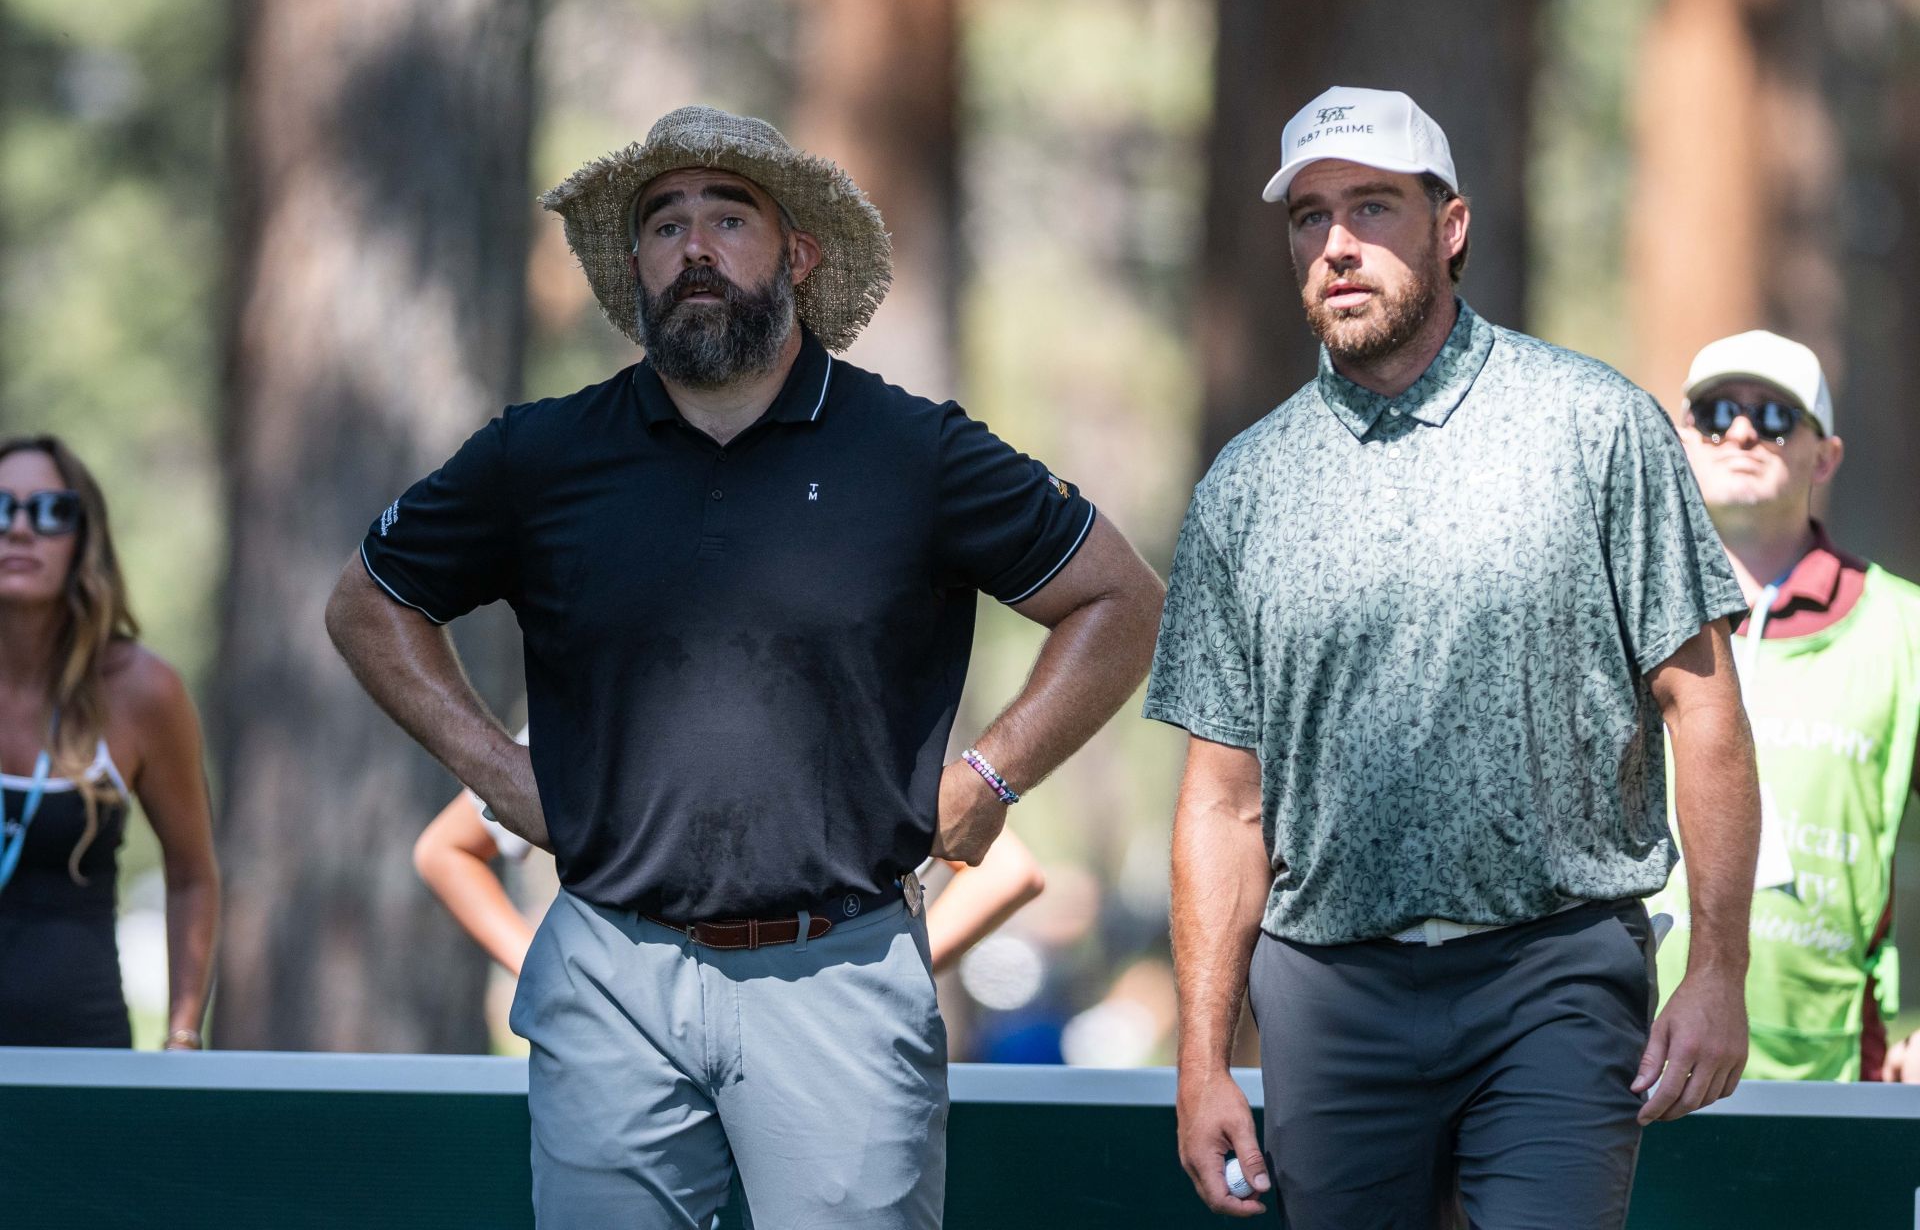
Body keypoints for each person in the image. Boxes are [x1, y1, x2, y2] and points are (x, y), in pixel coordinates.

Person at [327, 105, 1164, 1227]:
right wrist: (498, 770)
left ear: (797, 253)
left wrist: (994, 775)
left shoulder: (913, 451)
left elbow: (1121, 597)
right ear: (636, 269)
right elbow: (368, 601)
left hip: (841, 970)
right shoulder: (541, 454)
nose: (696, 247)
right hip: (608, 968)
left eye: (730, 216)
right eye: (666, 225)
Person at [1146, 86, 1761, 1228]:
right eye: (1310, 217)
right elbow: (1223, 803)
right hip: (1329, 991)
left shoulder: (1594, 425)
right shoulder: (1245, 486)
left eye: (1373, 208)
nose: (1337, 246)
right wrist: (1202, 1053)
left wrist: (1719, 969)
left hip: (1556, 973)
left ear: (1452, 225)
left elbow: (1703, 707)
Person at [1653, 330, 1920, 1082]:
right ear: (1683, 440)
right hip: (1623, 1053)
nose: (1741, 431)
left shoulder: (1904, 628)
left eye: (1775, 416)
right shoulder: (1616, 614)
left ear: (1825, 456)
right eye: (1715, 413)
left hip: (1831, 1071)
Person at [414, 725, 1047, 976]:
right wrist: (543, 973)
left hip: (817, 1033)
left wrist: (885, 968)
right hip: (636, 1030)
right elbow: (449, 848)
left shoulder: (855, 710)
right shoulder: (605, 710)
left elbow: (1011, 872)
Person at [0, 434, 219, 1049]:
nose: (19, 529)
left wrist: (182, 1036)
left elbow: (192, 874)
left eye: (49, 511)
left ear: (83, 540)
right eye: (0, 509)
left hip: (81, 1061)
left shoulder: (142, 691)